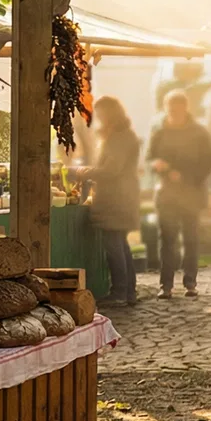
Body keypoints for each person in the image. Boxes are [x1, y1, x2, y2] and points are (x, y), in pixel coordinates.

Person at [146, 91, 211, 299]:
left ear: (185, 108)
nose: (173, 113)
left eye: (176, 109)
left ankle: (190, 283)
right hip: (167, 194)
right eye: (169, 109)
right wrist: (158, 166)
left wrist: (185, 176)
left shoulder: (199, 133)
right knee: (167, 239)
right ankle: (165, 285)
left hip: (191, 194)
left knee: (191, 239)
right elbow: (150, 157)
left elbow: (208, 162)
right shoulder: (160, 132)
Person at [79, 96, 142, 307]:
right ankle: (128, 292)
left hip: (117, 199)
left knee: (115, 246)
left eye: (102, 114)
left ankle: (120, 292)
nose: (100, 118)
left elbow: (112, 170)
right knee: (120, 245)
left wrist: (85, 172)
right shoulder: (120, 135)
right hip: (121, 198)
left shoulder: (119, 138)